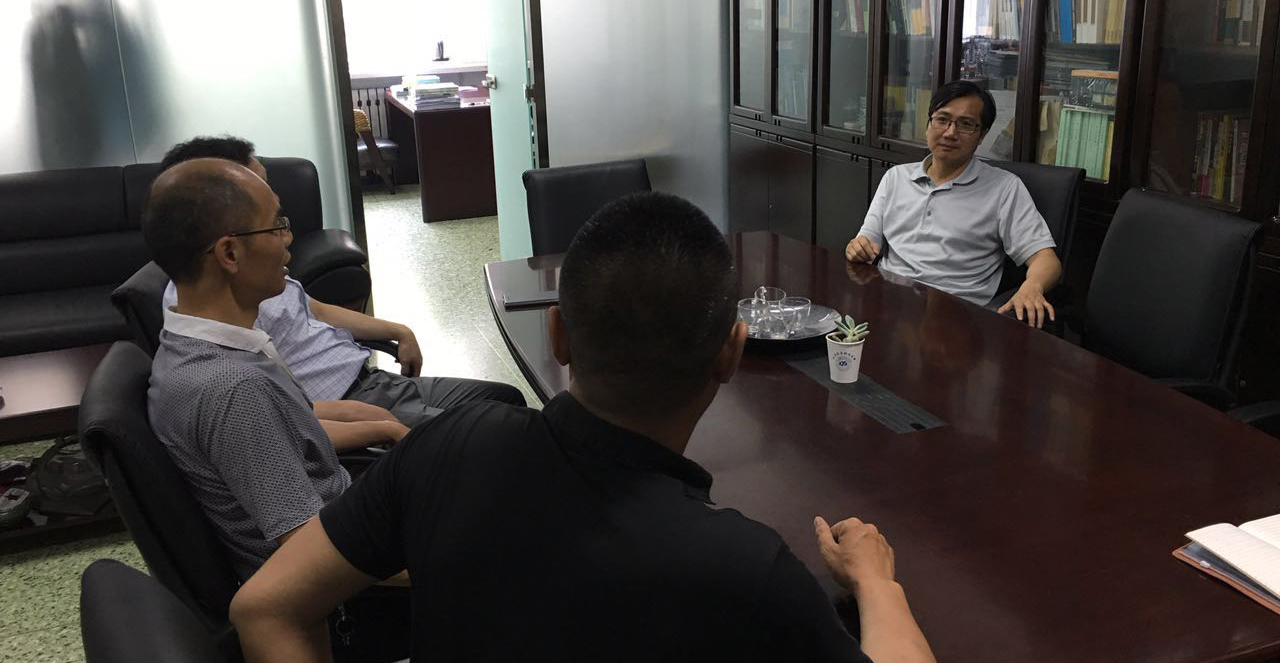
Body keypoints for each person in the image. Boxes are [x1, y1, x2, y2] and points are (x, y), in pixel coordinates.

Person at [229, 192, 937, 663]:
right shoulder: (746, 571)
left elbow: (265, 608)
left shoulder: (446, 445)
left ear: (558, 335)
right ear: (731, 353)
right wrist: (876, 582)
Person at [143, 158, 409, 579]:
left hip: (354, 513)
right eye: (275, 226)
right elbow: (312, 560)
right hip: (355, 574)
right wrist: (443, 562)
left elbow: (294, 440)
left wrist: (384, 429)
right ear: (230, 253)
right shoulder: (233, 388)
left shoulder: (195, 343)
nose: (288, 239)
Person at [157, 136, 525, 428]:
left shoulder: (256, 278)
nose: (285, 232)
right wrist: (376, 423)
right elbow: (284, 416)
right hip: (347, 406)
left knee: (506, 400)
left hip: (370, 381)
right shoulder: (222, 313)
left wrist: (399, 330)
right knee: (500, 431)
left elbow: (313, 309)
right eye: (259, 195)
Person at [845, 80, 1062, 328]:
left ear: (981, 135)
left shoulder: (1004, 188)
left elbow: (1046, 259)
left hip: (956, 323)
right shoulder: (896, 177)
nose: (950, 132)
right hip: (889, 308)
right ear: (928, 123)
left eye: (966, 124)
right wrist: (857, 248)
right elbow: (865, 242)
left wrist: (1032, 286)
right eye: (942, 119)